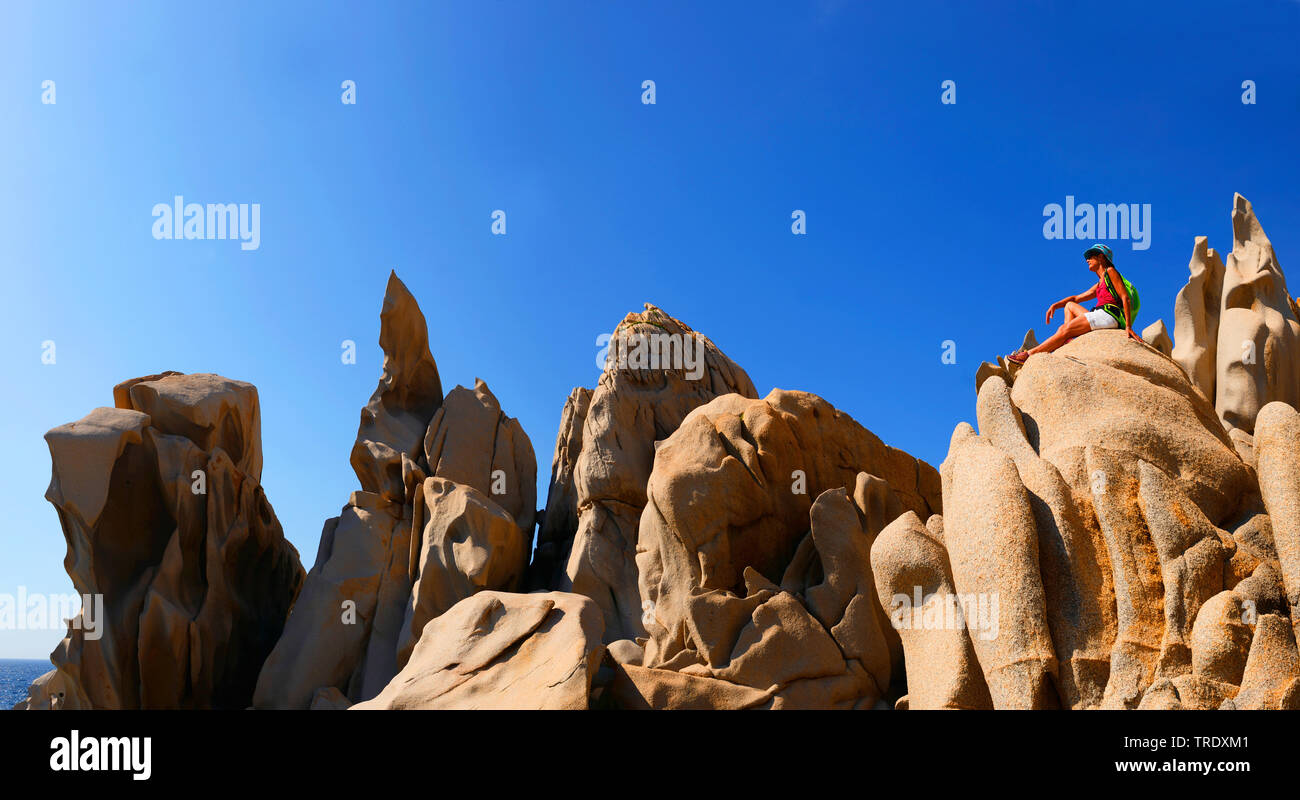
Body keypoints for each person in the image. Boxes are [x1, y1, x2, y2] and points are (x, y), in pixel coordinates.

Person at [1007, 243, 1140, 364]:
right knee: (1069, 306)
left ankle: (1028, 355)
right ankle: (1066, 340)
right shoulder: (1100, 283)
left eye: (1090, 256)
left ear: (1101, 257)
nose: (1087, 260)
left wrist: (1128, 326)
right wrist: (1055, 305)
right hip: (1100, 314)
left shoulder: (1110, 272)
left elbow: (1125, 297)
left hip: (1109, 315)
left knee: (1063, 329)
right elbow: (1076, 299)